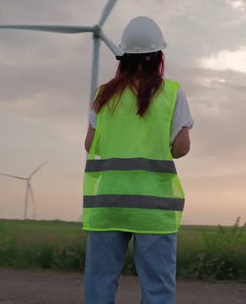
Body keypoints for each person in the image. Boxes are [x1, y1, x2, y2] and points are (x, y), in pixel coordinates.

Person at [82, 16, 193, 304]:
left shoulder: (102, 95)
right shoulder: (171, 94)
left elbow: (90, 144)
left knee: (100, 283)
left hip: (108, 204)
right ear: (159, 56)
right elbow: (181, 148)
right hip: (153, 208)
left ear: (123, 57)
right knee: (157, 288)